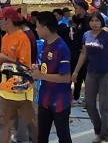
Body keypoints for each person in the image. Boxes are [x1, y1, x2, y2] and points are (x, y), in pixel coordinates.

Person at [71, 12, 108, 143]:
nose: (94, 23)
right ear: (89, 22)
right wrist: (76, 72)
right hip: (90, 73)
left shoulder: (107, 36)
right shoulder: (86, 35)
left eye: (97, 20)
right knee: (90, 105)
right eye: (92, 20)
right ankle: (99, 131)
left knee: (104, 106)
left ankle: (106, 136)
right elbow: (84, 53)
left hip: (105, 74)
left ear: (101, 22)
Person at [0, 7, 35, 143]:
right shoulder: (5, 37)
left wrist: (4, 58)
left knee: (31, 124)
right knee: (4, 124)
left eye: (0, 19)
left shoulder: (23, 38)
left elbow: (25, 66)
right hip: (6, 90)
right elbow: (6, 61)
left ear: (8, 20)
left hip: (22, 90)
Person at [30, 12, 72, 143]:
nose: (35, 29)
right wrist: (37, 69)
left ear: (45, 27)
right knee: (41, 136)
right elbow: (46, 68)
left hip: (60, 99)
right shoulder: (45, 44)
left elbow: (66, 78)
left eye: (37, 26)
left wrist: (41, 75)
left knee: (63, 136)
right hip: (45, 98)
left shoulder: (61, 48)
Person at [68, 1, 91, 104]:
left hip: (85, 52)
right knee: (77, 76)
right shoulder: (77, 20)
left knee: (86, 76)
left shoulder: (88, 20)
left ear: (82, 8)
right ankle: (76, 97)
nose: (75, 10)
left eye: (77, 8)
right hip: (76, 51)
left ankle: (89, 99)